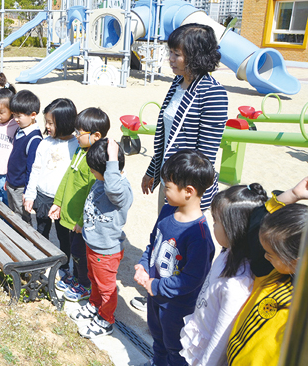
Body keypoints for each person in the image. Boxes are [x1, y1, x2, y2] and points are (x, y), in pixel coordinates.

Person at [133, 23, 228, 313]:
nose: (170, 59)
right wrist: (152, 169)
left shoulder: (213, 94)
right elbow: (163, 131)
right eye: (170, 52)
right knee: (165, 235)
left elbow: (205, 155)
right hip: (170, 178)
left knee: (185, 243)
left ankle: (175, 300)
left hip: (189, 186)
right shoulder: (177, 83)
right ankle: (158, 290)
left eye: (177, 54)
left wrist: (191, 194)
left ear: (196, 55)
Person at [135, 149, 216, 366]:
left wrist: (157, 286)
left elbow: (191, 279)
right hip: (155, 295)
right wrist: (144, 265)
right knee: (158, 339)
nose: (164, 190)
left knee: (176, 348)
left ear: (188, 191)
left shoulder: (199, 236)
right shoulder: (168, 211)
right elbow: (153, 244)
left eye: (168, 186)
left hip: (177, 307)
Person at [179, 184, 268, 365]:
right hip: (200, 339)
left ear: (235, 229)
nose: (212, 225)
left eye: (216, 221)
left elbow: (220, 340)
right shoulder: (227, 253)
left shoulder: (238, 284)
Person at [227, 203, 308, 365]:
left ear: (296, 263)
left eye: (270, 255)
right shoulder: (275, 271)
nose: (264, 257)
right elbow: (257, 219)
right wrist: (291, 195)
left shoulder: (300, 309)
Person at [69, 138, 132, 338]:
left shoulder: (120, 189)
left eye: (94, 170)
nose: (92, 174)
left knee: (106, 288)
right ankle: (94, 305)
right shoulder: (101, 180)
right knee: (94, 280)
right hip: (93, 244)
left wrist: (112, 158)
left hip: (106, 251)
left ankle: (106, 320)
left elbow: (112, 189)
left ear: (108, 170)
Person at [50, 107, 111, 303]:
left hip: (80, 220)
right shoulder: (80, 150)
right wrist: (58, 202)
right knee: (73, 249)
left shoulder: (95, 160)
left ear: (96, 136)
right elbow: (67, 176)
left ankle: (83, 284)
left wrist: (81, 221)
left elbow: (93, 196)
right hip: (69, 215)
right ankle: (75, 277)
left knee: (79, 252)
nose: (75, 135)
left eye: (79, 132)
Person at [24, 99, 78, 274]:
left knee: (65, 236)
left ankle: (63, 265)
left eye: (50, 123)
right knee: (41, 230)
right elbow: (36, 169)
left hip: (63, 200)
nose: (47, 127)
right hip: (43, 196)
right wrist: (31, 193)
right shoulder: (45, 143)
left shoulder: (77, 146)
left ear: (65, 123)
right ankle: (42, 259)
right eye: (46, 122)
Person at [6, 90, 42, 224]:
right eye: (14, 115)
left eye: (19, 116)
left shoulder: (34, 139)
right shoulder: (19, 129)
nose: (15, 119)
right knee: (13, 213)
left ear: (33, 115)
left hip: (21, 186)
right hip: (12, 182)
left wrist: (27, 192)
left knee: (22, 218)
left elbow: (32, 169)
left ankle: (23, 242)